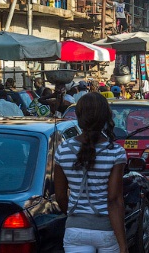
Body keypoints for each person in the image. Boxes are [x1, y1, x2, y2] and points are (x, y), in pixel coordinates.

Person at [54, 93, 129, 253]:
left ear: (79, 117)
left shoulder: (63, 150)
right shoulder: (116, 152)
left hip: (75, 231)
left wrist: (75, 215)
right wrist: (123, 246)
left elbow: (60, 196)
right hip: (106, 230)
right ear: (106, 117)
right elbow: (114, 200)